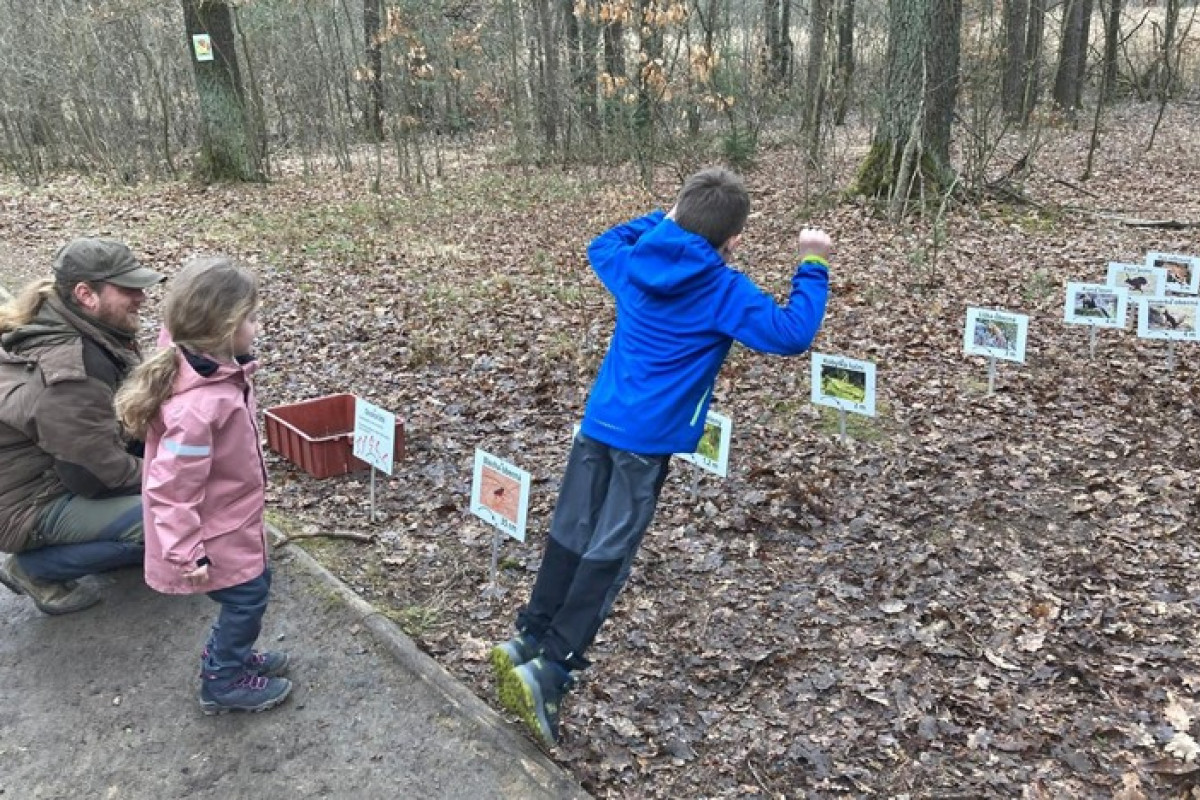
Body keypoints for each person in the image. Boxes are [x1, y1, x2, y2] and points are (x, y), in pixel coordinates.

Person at [489, 167, 831, 745]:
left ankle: (530, 635)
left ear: (676, 216)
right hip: (644, 447)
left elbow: (604, 243)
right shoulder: (723, 289)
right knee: (606, 555)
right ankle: (548, 670)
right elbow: (792, 333)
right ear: (735, 238)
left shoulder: (636, 264)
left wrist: (666, 221)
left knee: (572, 532)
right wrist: (813, 262)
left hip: (598, 425)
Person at [115, 257, 291, 715]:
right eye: (250, 318)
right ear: (225, 326)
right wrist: (186, 552)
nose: (257, 327)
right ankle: (223, 678)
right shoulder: (199, 409)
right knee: (248, 595)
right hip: (213, 531)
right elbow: (171, 489)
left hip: (231, 517)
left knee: (251, 588)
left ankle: (228, 654)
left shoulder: (206, 364)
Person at [0, 238, 165, 615]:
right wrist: (175, 478)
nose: (141, 296)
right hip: (27, 503)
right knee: (171, 519)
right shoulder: (72, 370)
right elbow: (93, 474)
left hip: (45, 469)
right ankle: (35, 568)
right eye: (128, 288)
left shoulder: (67, 317)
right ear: (85, 293)